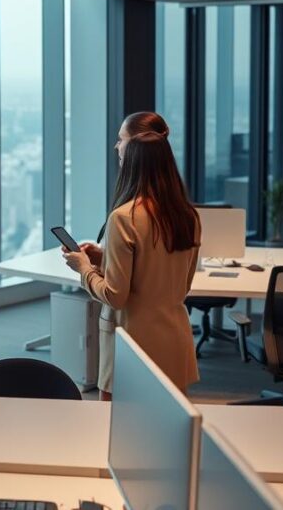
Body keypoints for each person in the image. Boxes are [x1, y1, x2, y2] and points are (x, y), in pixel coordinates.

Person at [63, 126, 202, 397]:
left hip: (132, 343)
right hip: (175, 339)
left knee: (117, 432)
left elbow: (115, 296)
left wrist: (84, 268)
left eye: (122, 153)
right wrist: (106, 258)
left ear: (133, 167)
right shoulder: (187, 215)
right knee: (170, 431)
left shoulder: (124, 217)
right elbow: (175, 281)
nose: (116, 148)